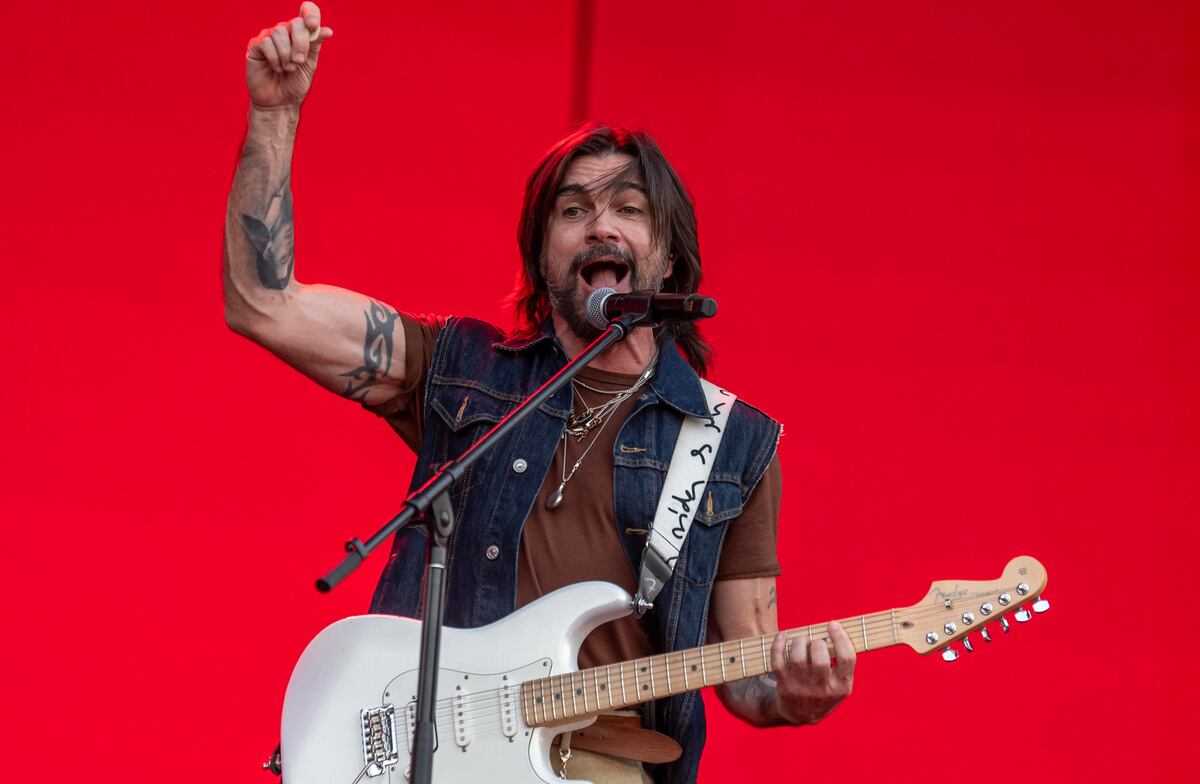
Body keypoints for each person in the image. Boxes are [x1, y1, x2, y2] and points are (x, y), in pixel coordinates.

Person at [224, 4, 855, 782]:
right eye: (574, 210)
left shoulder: (729, 444)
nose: (602, 227)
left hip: (595, 762)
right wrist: (275, 113)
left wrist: (797, 690)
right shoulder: (460, 367)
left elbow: (747, 673)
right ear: (541, 252)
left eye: (629, 209)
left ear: (665, 259)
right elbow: (264, 302)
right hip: (428, 755)